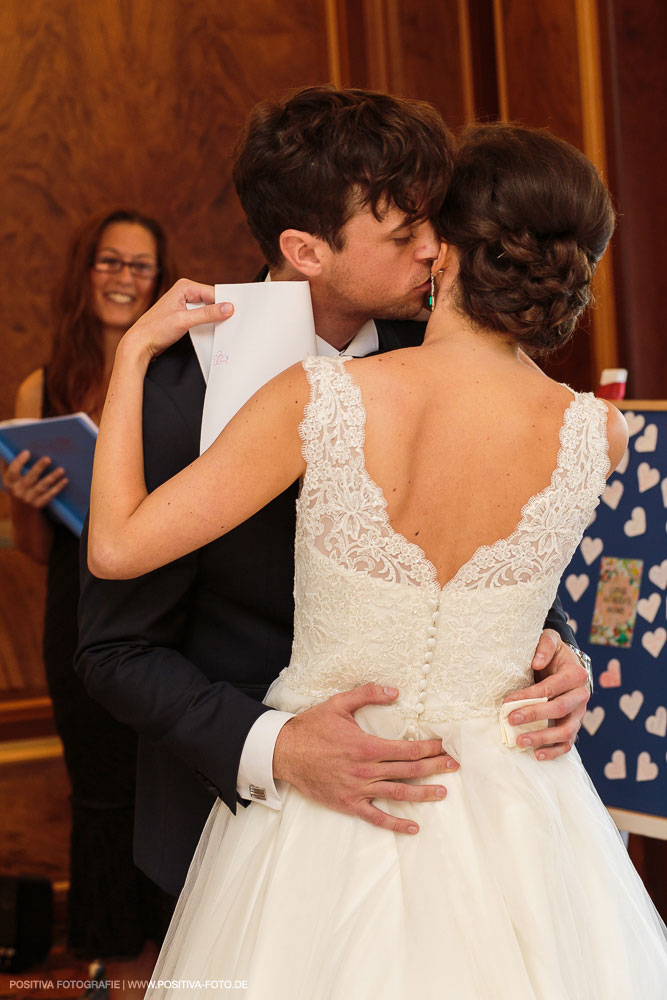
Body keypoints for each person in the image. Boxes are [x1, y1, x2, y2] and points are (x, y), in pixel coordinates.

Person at [88, 122, 667, 996]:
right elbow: (113, 646)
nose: (423, 243)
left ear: (451, 258)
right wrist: (273, 747)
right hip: (479, 817)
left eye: (429, 228)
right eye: (403, 230)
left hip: (347, 842)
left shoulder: (327, 397)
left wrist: (562, 660)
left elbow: (116, 545)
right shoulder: (599, 433)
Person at [2, 210, 174, 998]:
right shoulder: (44, 380)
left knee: (164, 775)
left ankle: (176, 951)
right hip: (78, 605)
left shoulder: (181, 370)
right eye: (110, 261)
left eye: (140, 266)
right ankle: (110, 955)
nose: (123, 277)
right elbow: (37, 552)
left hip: (166, 597)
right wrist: (24, 499)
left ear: (159, 279)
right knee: (99, 784)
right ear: (86, 272)